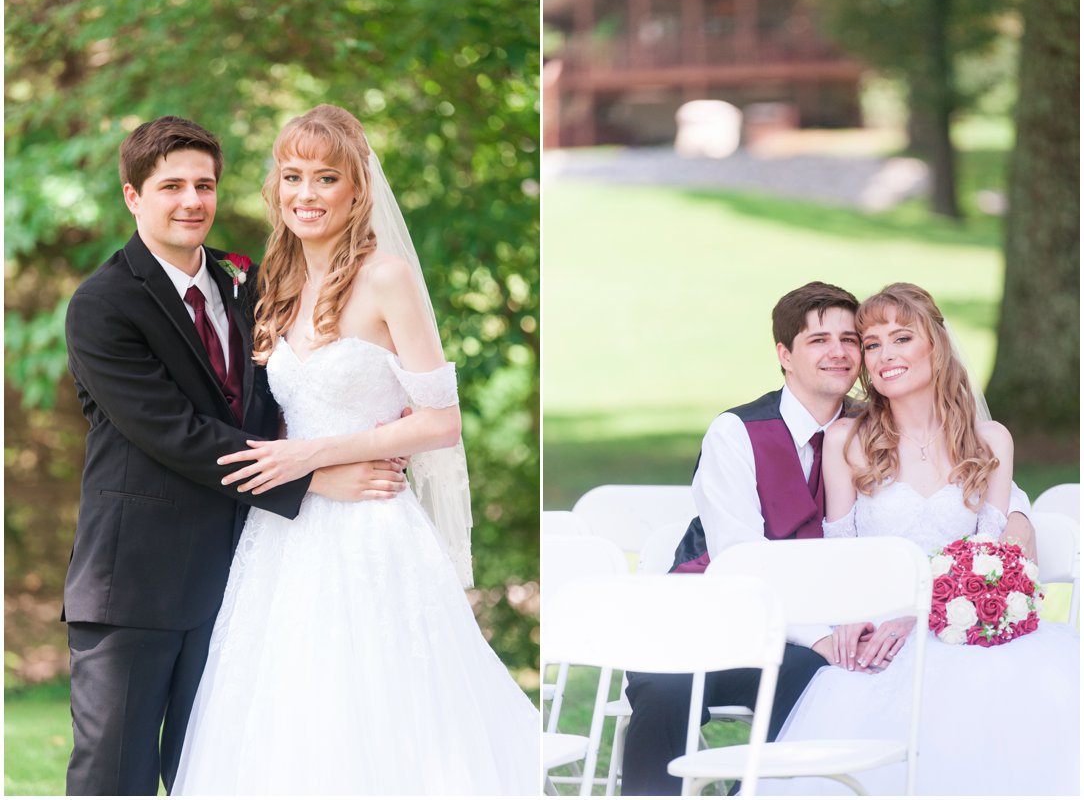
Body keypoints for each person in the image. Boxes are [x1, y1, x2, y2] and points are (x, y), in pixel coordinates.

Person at [171, 105, 539, 795]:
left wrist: (316, 455)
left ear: (356, 190)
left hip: (372, 529)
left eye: (325, 178)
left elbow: (440, 422)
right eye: (292, 176)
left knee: (379, 706)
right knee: (281, 711)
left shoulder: (387, 278)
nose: (305, 194)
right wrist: (304, 469)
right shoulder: (270, 285)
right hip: (285, 536)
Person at [63, 117, 406, 795]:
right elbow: (177, 434)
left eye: (204, 185)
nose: (191, 200)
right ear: (134, 197)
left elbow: (271, 403)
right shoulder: (102, 306)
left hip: (237, 579)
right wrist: (311, 476)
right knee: (114, 778)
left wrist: (365, 426)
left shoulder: (243, 285)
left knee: (219, 771)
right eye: (171, 187)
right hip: (134, 584)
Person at [621, 281, 1038, 796]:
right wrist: (823, 632)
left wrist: (1015, 527)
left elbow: (984, 494)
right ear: (785, 355)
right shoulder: (736, 433)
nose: (839, 353)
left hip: (821, 638)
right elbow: (740, 560)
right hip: (721, 620)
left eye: (849, 339)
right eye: (819, 340)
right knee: (666, 692)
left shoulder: (881, 424)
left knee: (819, 684)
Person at [764, 283, 1079, 795]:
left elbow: (992, 557)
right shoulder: (847, 441)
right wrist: (851, 617)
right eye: (872, 344)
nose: (885, 355)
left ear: (934, 343)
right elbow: (841, 548)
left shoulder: (991, 441)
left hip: (969, 635)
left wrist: (923, 613)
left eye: (901, 338)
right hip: (881, 636)